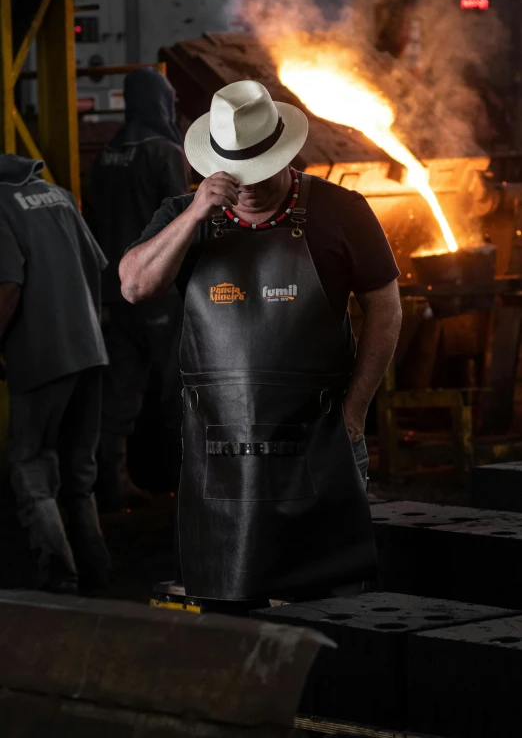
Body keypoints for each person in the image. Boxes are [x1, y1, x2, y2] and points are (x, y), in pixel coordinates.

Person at [120, 80, 402, 612]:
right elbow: (134, 286)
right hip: (220, 453)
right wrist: (194, 215)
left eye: (258, 169)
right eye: (234, 172)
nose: (246, 187)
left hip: (321, 439)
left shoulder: (342, 212)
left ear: (285, 154)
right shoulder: (186, 216)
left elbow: (386, 307)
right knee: (228, 601)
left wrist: (357, 409)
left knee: (331, 606)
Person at [0, 154, 111, 595]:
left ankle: (59, 577)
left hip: (42, 355)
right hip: (91, 350)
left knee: (31, 467)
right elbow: (95, 267)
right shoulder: (60, 197)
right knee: (79, 472)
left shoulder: (0, 205)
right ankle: (98, 572)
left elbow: (8, 286)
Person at [91, 67, 189, 511]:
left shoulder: (108, 153)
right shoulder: (165, 152)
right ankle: (178, 481)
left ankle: (113, 480)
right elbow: (181, 220)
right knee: (175, 385)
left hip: (113, 289)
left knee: (120, 387)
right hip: (158, 292)